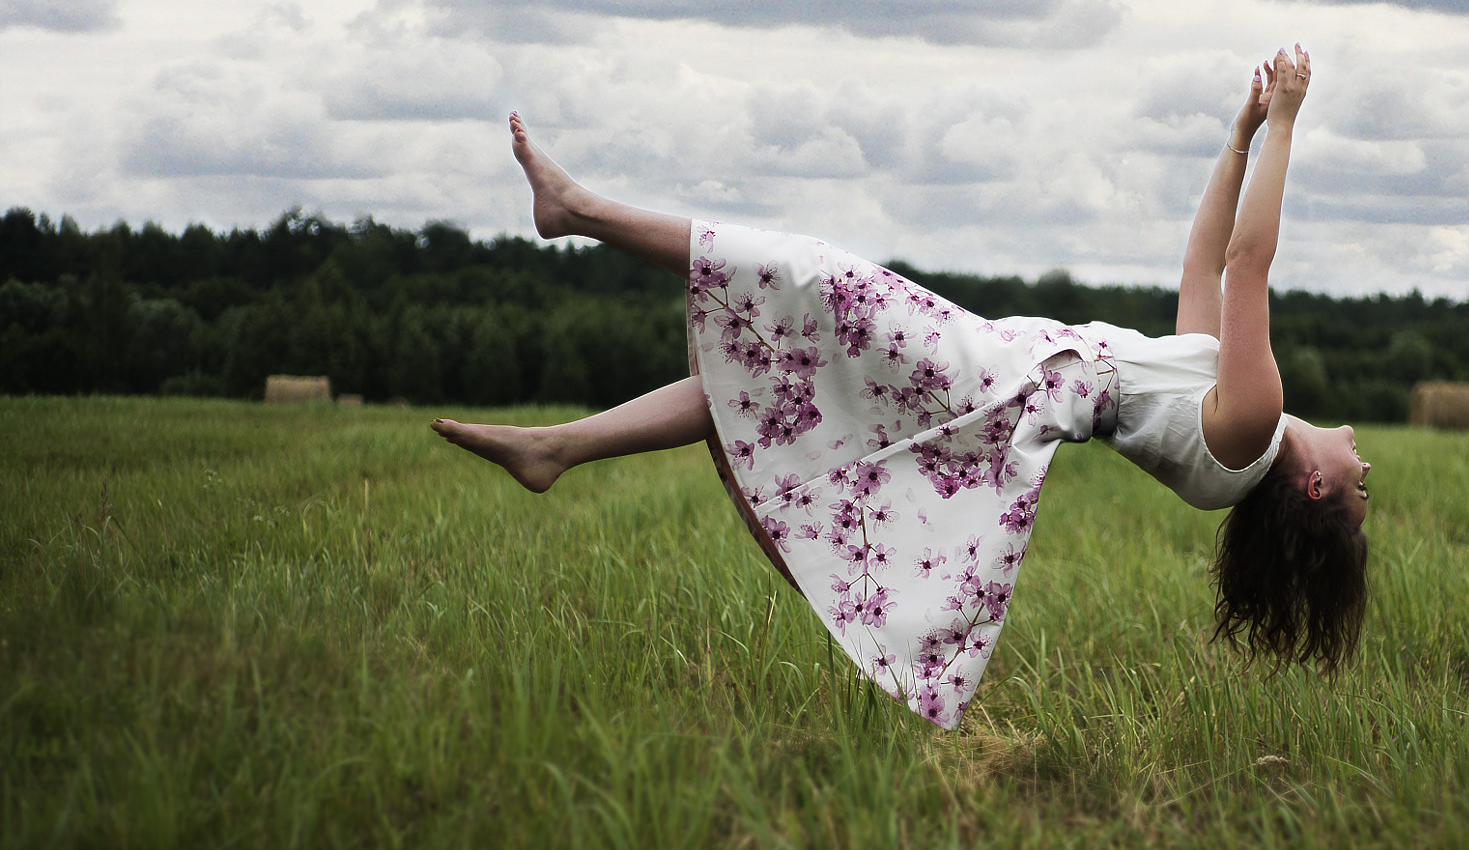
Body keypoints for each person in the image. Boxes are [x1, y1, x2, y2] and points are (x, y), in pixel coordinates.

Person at [433, 46, 1369, 728]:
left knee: (811, 278)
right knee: (785, 372)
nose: (1361, 451)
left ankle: (580, 211)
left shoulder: (1248, 430)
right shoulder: (1229, 414)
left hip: (1003, 384)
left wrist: (1286, 118)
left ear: (1313, 488)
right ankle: (558, 448)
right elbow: (1206, 261)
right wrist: (1239, 139)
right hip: (1007, 378)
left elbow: (1249, 265)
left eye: (1359, 480)